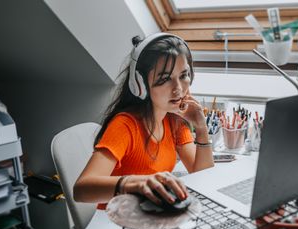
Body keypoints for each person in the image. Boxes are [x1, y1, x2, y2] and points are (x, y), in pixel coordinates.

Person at [74, 33, 214, 206]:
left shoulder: (174, 119)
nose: (178, 89)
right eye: (164, 79)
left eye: (184, 75)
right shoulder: (125, 125)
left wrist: (201, 127)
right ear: (140, 85)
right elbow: (81, 189)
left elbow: (202, 174)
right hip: (117, 221)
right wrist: (134, 183)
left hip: (150, 213)